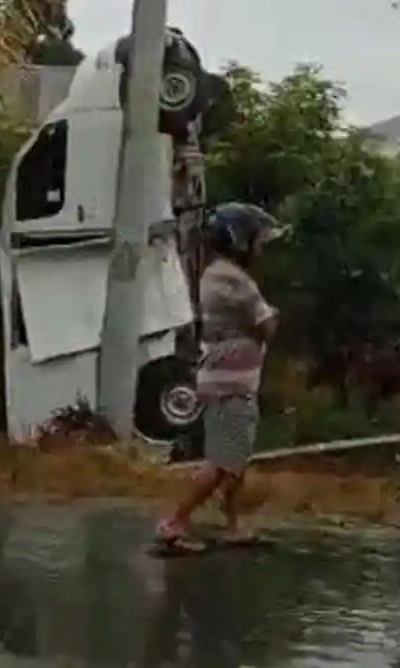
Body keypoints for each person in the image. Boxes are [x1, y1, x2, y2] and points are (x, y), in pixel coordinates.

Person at [155, 201, 285, 548]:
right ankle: (175, 522)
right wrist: (272, 315)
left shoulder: (217, 274)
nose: (260, 247)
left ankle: (234, 524)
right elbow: (267, 327)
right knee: (222, 464)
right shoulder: (235, 280)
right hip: (231, 383)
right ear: (238, 240)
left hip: (226, 379)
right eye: (256, 240)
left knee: (233, 460)